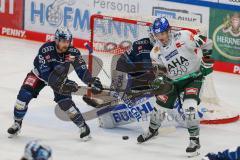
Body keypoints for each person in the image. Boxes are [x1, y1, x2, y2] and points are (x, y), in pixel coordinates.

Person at [137, 17, 214, 157]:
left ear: (169, 31)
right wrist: (159, 80)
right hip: (172, 82)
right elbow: (161, 72)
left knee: (189, 107)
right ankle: (153, 130)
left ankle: (194, 141)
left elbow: (208, 43)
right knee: (159, 107)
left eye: (163, 33)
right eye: (157, 34)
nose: (161, 37)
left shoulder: (184, 36)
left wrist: (207, 62)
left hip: (193, 78)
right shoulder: (155, 52)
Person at [7, 27, 103, 140]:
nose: (66, 44)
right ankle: (17, 124)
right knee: (22, 98)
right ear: (56, 40)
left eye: (68, 41)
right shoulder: (46, 49)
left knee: (66, 104)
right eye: (63, 41)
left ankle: (83, 127)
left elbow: (81, 70)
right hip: (39, 76)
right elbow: (45, 73)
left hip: (60, 79)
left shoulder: (73, 52)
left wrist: (91, 81)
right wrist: (64, 83)